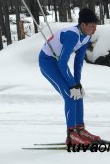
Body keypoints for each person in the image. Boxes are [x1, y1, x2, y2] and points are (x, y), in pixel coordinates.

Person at [39, 8, 101, 145]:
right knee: (69, 94)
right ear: (83, 25)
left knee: (77, 93)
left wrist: (77, 84)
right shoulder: (72, 35)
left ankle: (80, 129)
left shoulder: (87, 36)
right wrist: (72, 85)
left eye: (96, 26)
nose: (94, 29)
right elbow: (62, 63)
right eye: (92, 26)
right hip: (48, 62)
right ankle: (71, 135)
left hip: (58, 61)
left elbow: (79, 61)